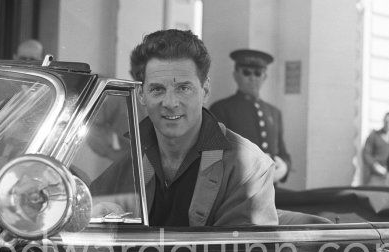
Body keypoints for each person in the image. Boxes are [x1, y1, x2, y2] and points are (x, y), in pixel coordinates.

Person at [91, 29, 278, 226]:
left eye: (183, 88)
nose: (170, 102)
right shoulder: (132, 160)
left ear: (205, 91)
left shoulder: (249, 169)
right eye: (157, 89)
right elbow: (81, 212)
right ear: (141, 95)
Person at [209, 49, 291, 184]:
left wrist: (284, 168)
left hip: (271, 191)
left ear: (264, 77)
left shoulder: (274, 113)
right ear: (236, 75)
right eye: (246, 73)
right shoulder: (221, 109)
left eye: (258, 73)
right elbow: (214, 155)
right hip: (238, 190)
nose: (252, 78)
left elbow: (283, 152)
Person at [362, 111, 389, 185]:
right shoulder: (374, 135)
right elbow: (366, 154)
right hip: (376, 176)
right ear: (383, 121)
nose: (388, 124)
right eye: (386, 122)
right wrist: (375, 166)